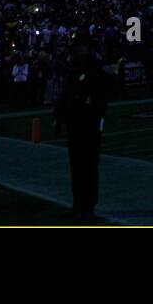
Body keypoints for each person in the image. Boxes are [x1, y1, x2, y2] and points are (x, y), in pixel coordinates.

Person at [53, 38, 109, 221]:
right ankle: (78, 204)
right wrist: (59, 117)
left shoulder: (94, 68)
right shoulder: (75, 68)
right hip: (75, 122)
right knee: (77, 167)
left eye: (82, 46)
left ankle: (88, 206)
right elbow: (67, 94)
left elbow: (101, 97)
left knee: (89, 166)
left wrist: (93, 108)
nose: (79, 49)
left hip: (89, 123)